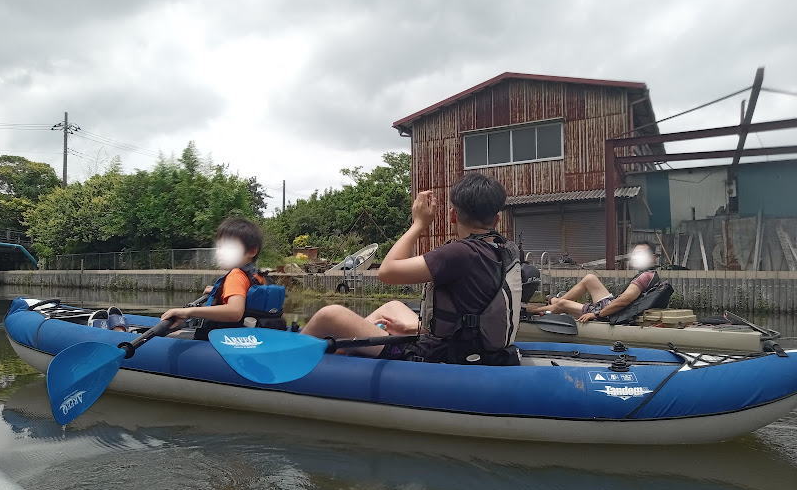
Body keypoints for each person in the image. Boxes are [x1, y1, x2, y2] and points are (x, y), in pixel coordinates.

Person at [301, 172, 523, 365]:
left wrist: (419, 224)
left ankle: (297, 360)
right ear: (496, 219)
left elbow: (387, 272)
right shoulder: (505, 249)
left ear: (453, 216)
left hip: (446, 355)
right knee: (393, 306)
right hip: (476, 346)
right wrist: (412, 328)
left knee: (330, 315)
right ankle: (345, 346)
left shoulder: (460, 253)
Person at [161, 217, 285, 338]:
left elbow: (235, 312)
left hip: (226, 339)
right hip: (254, 336)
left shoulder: (236, 275)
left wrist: (187, 312)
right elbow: (248, 297)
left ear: (252, 251)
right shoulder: (257, 276)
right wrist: (220, 290)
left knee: (169, 336)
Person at [526, 241, 660, 323]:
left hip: (609, 312)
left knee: (563, 304)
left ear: (653, 258)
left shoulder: (645, 276)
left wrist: (596, 314)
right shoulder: (650, 275)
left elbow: (623, 301)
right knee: (590, 278)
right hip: (611, 305)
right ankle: (554, 302)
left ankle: (536, 310)